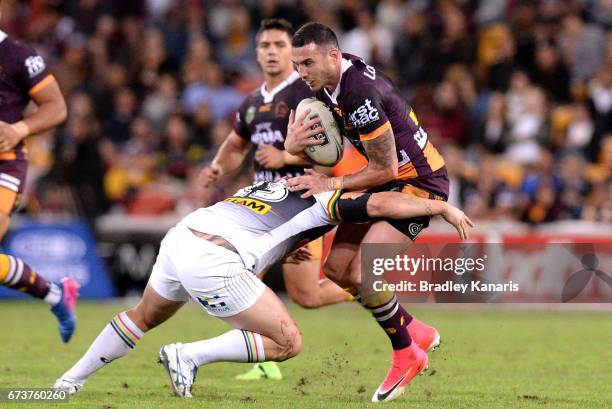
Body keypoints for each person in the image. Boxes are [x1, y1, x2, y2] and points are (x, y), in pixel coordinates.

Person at [53, 179, 473, 398]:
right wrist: (440, 207)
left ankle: (68, 383)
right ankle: (188, 355)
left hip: (181, 236)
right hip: (214, 260)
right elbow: (380, 205)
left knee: (143, 317)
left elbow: (269, 230)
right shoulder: (327, 199)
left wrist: (283, 249)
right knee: (288, 342)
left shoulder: (271, 186)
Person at [284, 22, 449, 402]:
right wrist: (295, 148)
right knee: (336, 270)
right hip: (385, 182)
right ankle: (414, 330)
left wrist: (329, 184)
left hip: (418, 184)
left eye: (307, 62)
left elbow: (386, 168)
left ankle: (407, 353)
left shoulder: (359, 91)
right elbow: (333, 151)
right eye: (297, 65)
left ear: (332, 55)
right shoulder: (329, 85)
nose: (301, 72)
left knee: (364, 272)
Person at [198, 18, 349, 380]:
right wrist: (219, 166)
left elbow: (334, 151)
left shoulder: (308, 94)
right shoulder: (252, 102)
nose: (271, 52)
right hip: (261, 207)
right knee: (257, 280)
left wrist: (286, 158)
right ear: (256, 52)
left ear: (293, 54)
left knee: (302, 293)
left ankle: (361, 286)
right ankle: (265, 361)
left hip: (300, 205)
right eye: (265, 46)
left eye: (279, 46)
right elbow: (237, 144)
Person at [0, 8, 78, 343]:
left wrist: (19, 128)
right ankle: (55, 295)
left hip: (5, 163)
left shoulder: (18, 55)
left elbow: (57, 107)